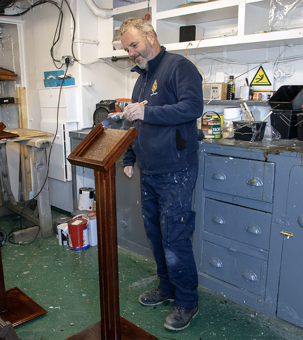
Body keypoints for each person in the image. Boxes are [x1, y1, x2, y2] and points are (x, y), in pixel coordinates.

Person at [119, 17, 204, 331]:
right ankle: (167, 289)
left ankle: (187, 302)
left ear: (150, 36)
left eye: (134, 45)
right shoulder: (142, 77)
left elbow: (193, 107)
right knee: (155, 235)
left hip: (176, 170)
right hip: (149, 171)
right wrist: (129, 155)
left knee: (175, 240)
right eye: (127, 48)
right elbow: (135, 121)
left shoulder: (178, 67)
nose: (131, 52)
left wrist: (148, 111)